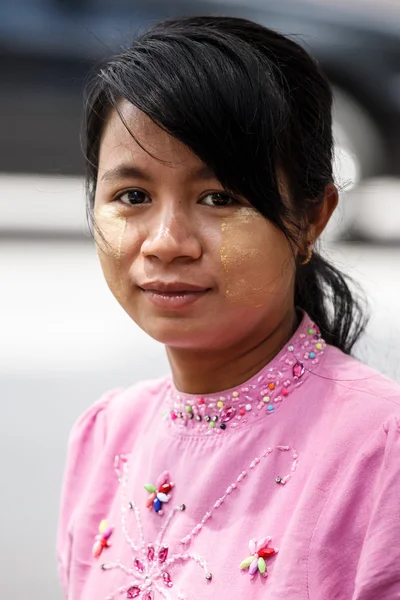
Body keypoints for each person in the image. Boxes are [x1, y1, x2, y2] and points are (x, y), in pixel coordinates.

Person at [57, 16, 400, 600]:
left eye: (218, 198)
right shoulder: (106, 434)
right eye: (132, 197)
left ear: (310, 219)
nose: (166, 241)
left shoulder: (382, 447)